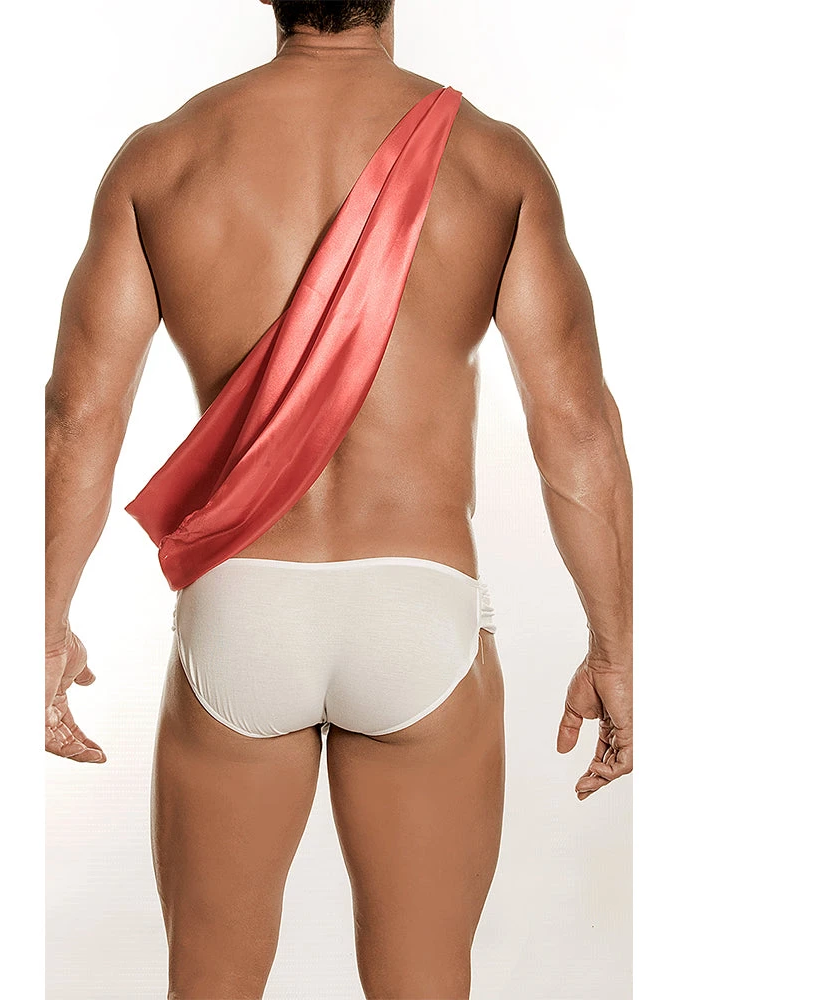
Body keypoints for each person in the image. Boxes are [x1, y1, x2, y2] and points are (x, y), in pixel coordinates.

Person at [44, 0, 633, 996]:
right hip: (420, 611)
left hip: (243, 604)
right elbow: (575, 429)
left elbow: (79, 419)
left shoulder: (163, 161)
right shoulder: (491, 162)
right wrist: (616, 650)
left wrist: (43, 622)